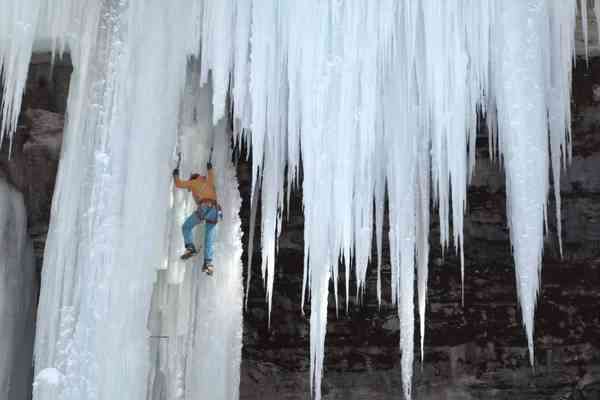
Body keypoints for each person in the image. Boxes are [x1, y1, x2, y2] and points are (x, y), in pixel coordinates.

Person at [172, 161, 221, 275]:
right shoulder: (208, 181)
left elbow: (178, 184)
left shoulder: (194, 182)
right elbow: (211, 174)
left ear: (193, 178)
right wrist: (209, 166)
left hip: (204, 208)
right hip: (215, 210)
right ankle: (208, 263)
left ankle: (190, 247)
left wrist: (175, 174)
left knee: (186, 227)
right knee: (209, 237)